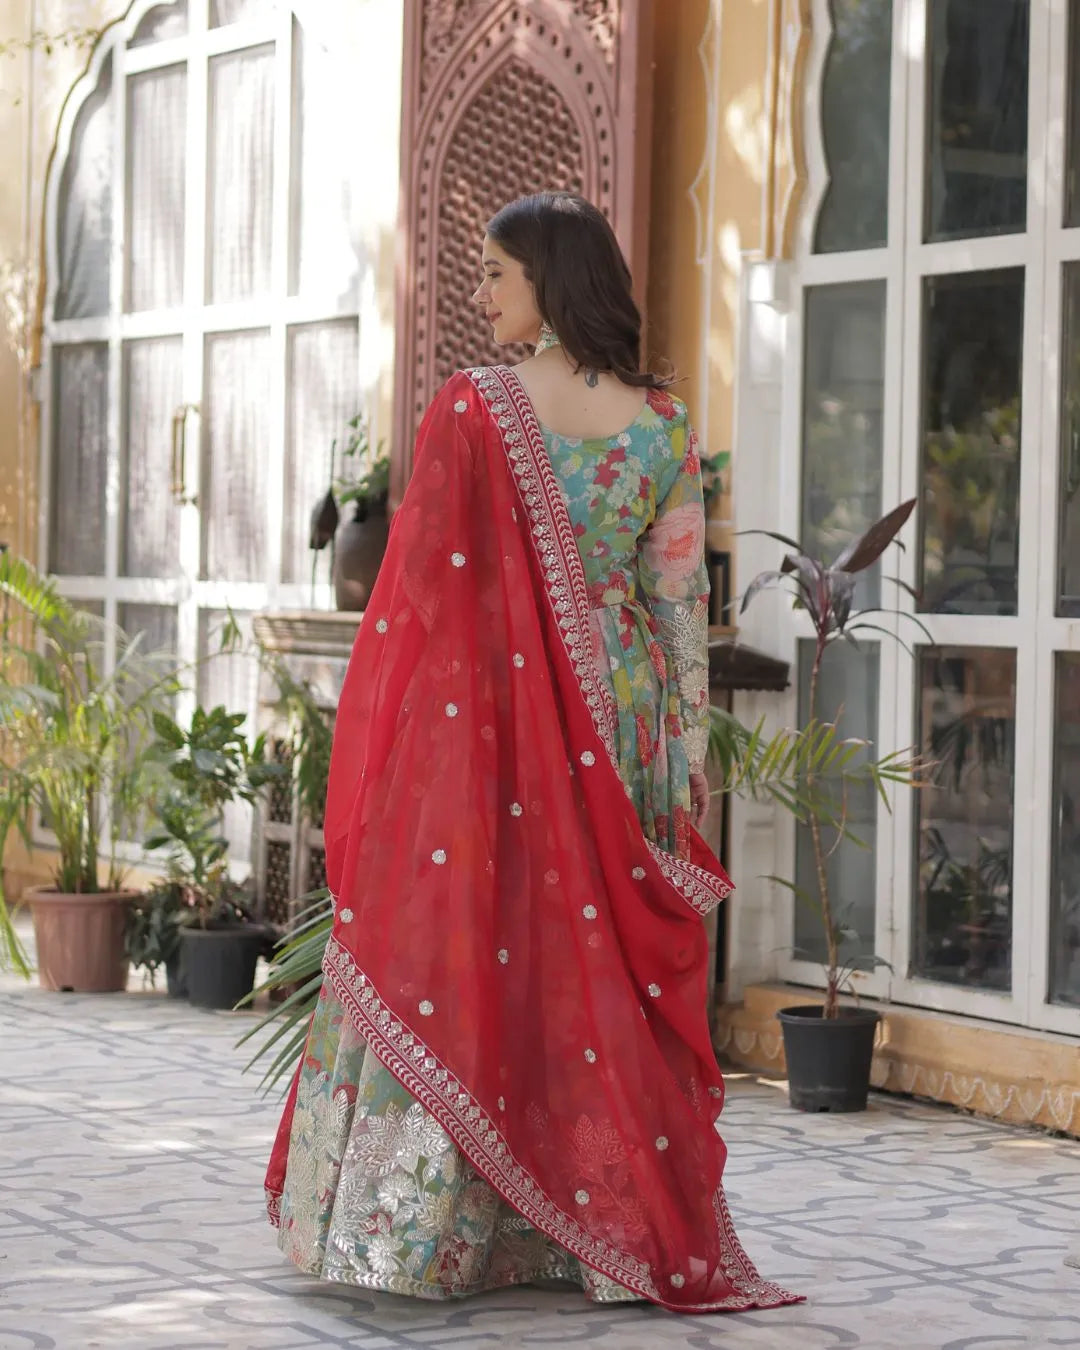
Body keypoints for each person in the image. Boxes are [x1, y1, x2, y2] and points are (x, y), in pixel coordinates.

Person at [265, 191, 801, 1314]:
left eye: (496, 277)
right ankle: (593, 1236)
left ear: (550, 285)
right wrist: (679, 747)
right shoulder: (665, 425)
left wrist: (416, 740)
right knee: (580, 958)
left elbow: (419, 597)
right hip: (617, 715)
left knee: (474, 950)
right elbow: (671, 604)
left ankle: (421, 1234)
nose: (482, 297)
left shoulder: (475, 408)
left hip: (486, 730)